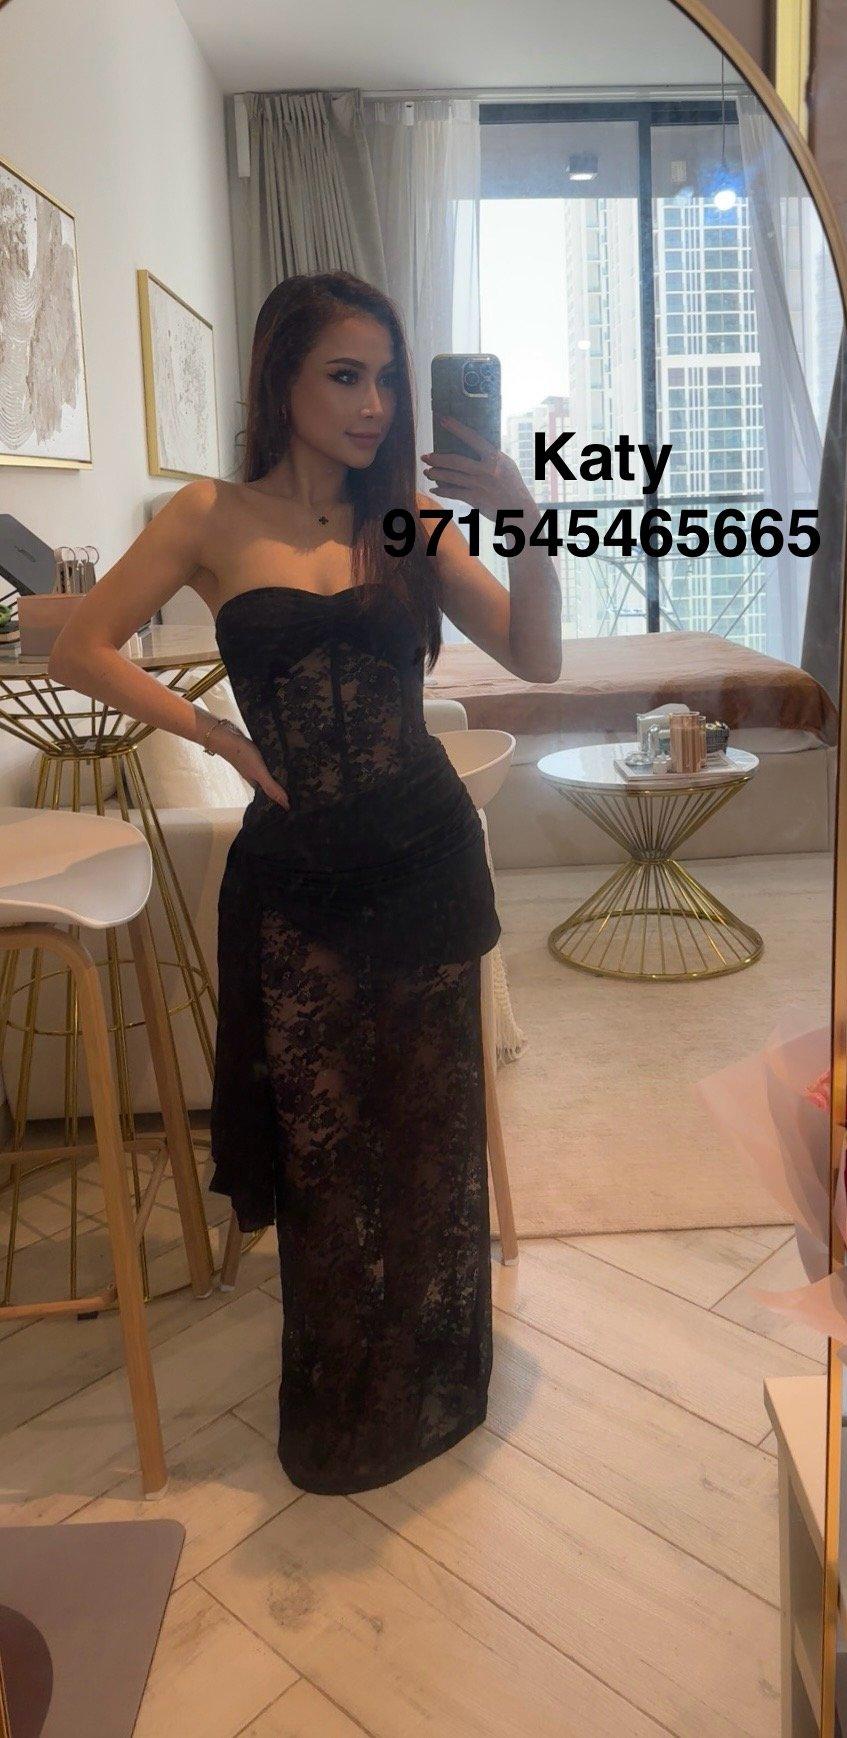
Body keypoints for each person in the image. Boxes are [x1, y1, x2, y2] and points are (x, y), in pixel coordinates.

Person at [48, 269, 562, 1494]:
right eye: (345, 375)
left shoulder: (409, 522)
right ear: (281, 376)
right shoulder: (208, 515)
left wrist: (527, 519)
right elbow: (79, 646)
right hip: (298, 882)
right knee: (325, 1144)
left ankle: (437, 1377)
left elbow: (537, 656)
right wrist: (219, 737)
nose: (375, 402)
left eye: (385, 377)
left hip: (424, 853)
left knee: (428, 1133)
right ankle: (343, 1398)